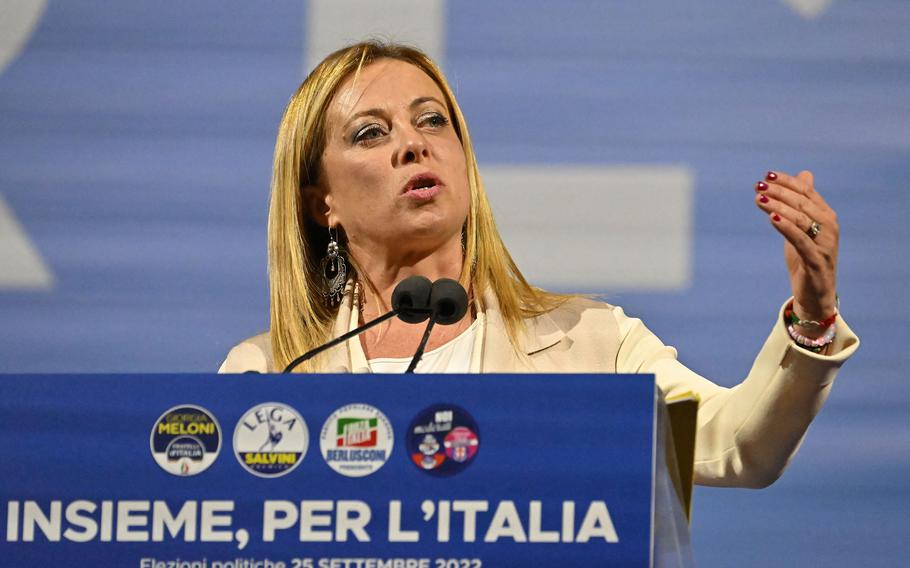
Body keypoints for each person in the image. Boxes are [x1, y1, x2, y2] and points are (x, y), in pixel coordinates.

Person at [219, 41, 859, 488]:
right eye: (370, 133)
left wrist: (811, 320)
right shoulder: (271, 376)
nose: (413, 144)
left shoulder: (588, 345)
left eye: (432, 121)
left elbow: (740, 446)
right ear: (320, 202)